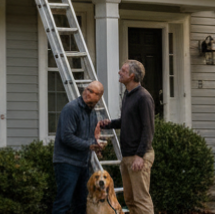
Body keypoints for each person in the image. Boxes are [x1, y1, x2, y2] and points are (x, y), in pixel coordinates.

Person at [98, 61, 155, 214]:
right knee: (130, 199)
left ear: (131, 76)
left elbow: (148, 129)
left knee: (141, 200)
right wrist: (108, 124)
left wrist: (140, 156)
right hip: (127, 155)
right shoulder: (128, 95)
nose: (119, 72)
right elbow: (126, 122)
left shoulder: (144, 97)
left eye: (123, 70)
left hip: (138, 157)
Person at [52, 82, 106, 214]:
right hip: (67, 162)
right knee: (63, 202)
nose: (88, 93)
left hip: (83, 164)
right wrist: (89, 145)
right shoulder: (71, 109)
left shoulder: (92, 113)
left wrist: (97, 146)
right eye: (87, 90)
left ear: (99, 97)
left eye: (93, 92)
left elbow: (88, 137)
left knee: (81, 203)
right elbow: (67, 137)